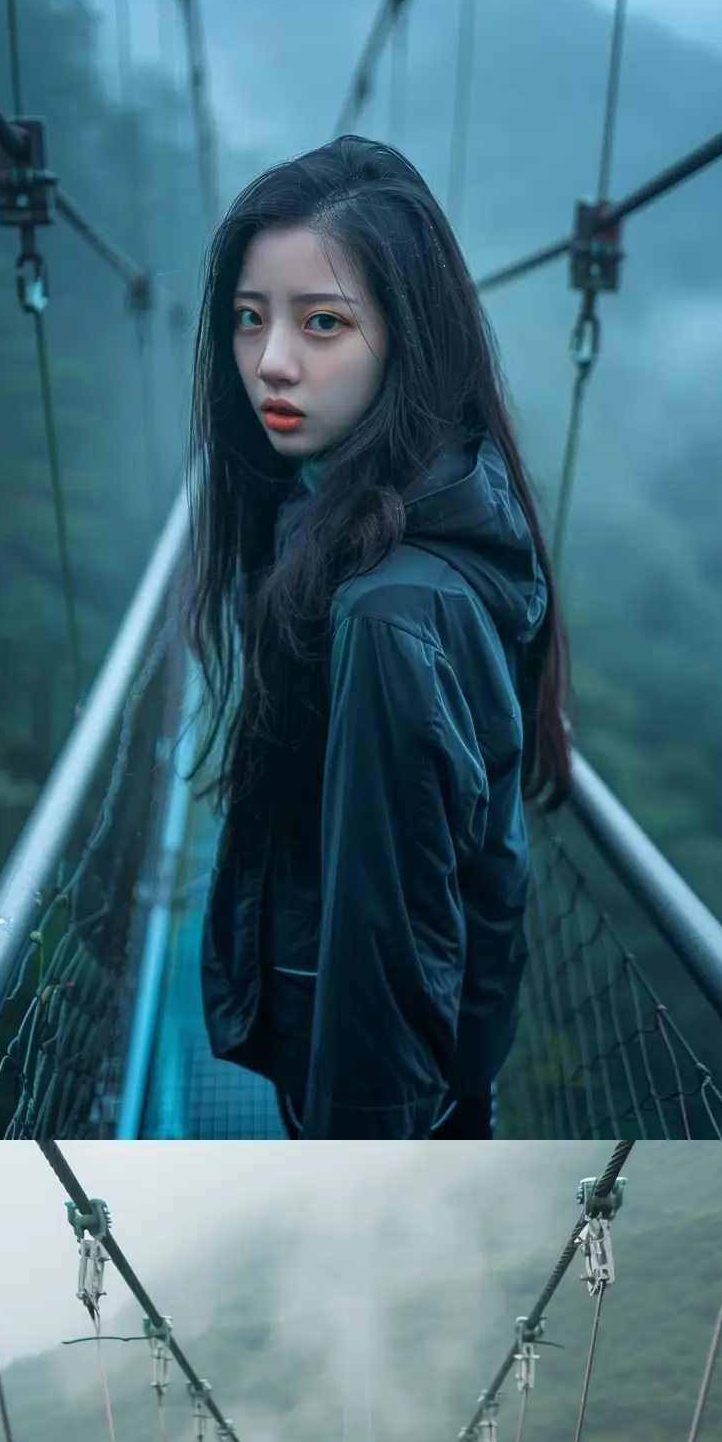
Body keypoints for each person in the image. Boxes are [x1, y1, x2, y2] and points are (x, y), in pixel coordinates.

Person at [188, 136, 573, 1139]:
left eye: (321, 324)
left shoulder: (388, 612)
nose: (269, 361)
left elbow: (387, 937)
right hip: (408, 1068)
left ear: (406, 337)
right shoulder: (383, 501)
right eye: (247, 318)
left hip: (369, 1098)